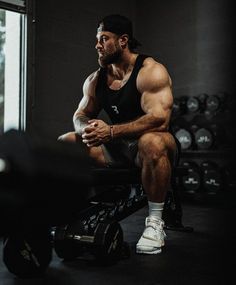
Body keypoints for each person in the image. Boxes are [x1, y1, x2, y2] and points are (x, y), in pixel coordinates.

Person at [58, 14, 177, 254]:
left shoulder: (150, 71)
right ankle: (68, 211)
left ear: (123, 41)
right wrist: (87, 130)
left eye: (104, 38)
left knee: (152, 140)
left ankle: (155, 224)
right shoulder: (95, 79)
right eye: (97, 39)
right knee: (67, 142)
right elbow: (80, 114)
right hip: (119, 148)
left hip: (153, 148)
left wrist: (111, 131)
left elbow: (160, 119)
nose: (97, 45)